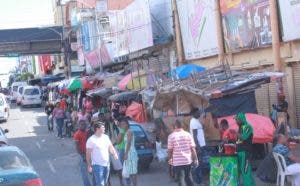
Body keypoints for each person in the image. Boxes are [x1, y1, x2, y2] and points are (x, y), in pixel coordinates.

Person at [168, 120, 199, 186]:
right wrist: (196, 159)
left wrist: (170, 159)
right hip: (187, 161)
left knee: (181, 179)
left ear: (175, 126)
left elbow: (170, 150)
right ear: (182, 126)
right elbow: (193, 148)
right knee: (188, 177)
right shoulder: (188, 135)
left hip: (177, 162)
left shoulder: (171, 136)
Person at [229, 113, 256, 186]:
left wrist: (235, 133)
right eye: (236, 120)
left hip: (245, 152)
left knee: (245, 171)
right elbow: (238, 141)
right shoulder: (240, 128)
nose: (236, 121)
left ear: (241, 119)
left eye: (237, 120)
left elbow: (243, 137)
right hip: (239, 152)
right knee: (246, 171)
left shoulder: (248, 127)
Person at [120, 119, 138, 186]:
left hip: (130, 153)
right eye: (121, 124)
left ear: (127, 124)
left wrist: (126, 153)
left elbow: (129, 143)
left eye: (124, 124)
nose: (122, 126)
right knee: (131, 171)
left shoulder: (129, 131)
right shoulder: (126, 132)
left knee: (133, 171)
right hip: (129, 152)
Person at [189, 108, 206, 185]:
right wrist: (198, 147)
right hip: (198, 147)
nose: (199, 114)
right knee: (198, 164)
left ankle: (199, 180)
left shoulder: (196, 121)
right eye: (198, 113)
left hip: (200, 146)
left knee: (199, 164)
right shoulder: (193, 122)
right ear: (194, 114)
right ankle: (198, 181)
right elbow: (195, 136)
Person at [74, 121, 91, 186]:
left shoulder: (86, 132)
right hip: (82, 154)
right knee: (84, 172)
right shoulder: (77, 134)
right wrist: (83, 156)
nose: (83, 126)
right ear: (78, 125)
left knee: (90, 170)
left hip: (88, 153)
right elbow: (77, 147)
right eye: (81, 125)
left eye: (84, 124)